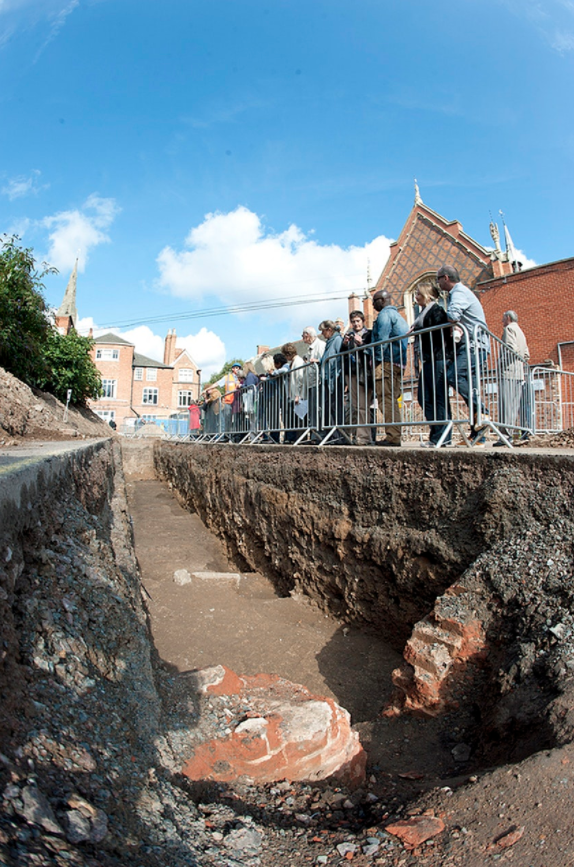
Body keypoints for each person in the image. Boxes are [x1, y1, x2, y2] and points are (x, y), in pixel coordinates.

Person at [437, 265, 490, 444]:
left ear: (445, 278)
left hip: (474, 346)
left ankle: (483, 412)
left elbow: (452, 314)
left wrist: (452, 323)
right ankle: (478, 437)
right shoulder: (462, 292)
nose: (438, 284)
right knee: (472, 386)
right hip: (473, 346)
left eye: (438, 279)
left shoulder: (458, 292)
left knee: (454, 375)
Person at [409, 284, 453, 447]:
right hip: (428, 360)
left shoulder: (437, 311)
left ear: (427, 295)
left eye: (419, 294)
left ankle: (441, 437)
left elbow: (440, 333)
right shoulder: (424, 313)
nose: (416, 297)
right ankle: (439, 434)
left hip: (439, 358)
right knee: (424, 397)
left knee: (438, 398)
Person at [371, 290, 408, 446]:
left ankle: (392, 437)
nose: (372, 305)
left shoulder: (384, 315)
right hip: (398, 363)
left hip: (386, 363)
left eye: (374, 301)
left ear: (381, 300)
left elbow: (382, 340)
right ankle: (394, 435)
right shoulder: (399, 316)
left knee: (386, 400)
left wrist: (376, 360)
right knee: (391, 399)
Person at [495, 310, 530, 445]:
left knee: (505, 405)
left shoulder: (509, 329)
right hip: (518, 373)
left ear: (508, 318)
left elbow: (510, 348)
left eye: (503, 318)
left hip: (508, 372)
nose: (502, 321)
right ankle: (510, 433)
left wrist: (501, 363)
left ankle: (505, 436)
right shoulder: (520, 331)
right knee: (514, 405)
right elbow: (526, 354)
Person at [340, 310, 372, 444]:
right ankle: (360, 436)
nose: (355, 324)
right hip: (351, 373)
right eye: (353, 322)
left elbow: (371, 351)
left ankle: (363, 437)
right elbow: (342, 354)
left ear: (363, 321)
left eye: (358, 321)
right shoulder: (350, 335)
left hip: (363, 374)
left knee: (362, 406)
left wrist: (362, 344)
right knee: (355, 406)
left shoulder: (369, 334)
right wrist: (345, 344)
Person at [318, 320, 343, 441]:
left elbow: (339, 358)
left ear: (329, 330)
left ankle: (337, 436)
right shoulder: (329, 342)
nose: (322, 334)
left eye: (323, 331)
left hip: (335, 379)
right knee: (329, 408)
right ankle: (332, 435)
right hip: (328, 380)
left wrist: (338, 375)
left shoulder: (337, 340)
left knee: (335, 408)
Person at [301, 326, 325, 433]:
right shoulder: (310, 347)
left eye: (303, 336)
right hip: (311, 382)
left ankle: (319, 432)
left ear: (308, 335)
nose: (302, 338)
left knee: (318, 408)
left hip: (318, 381)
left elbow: (323, 360)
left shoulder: (320, 345)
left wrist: (316, 361)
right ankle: (315, 433)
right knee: (312, 409)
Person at [281, 342, 305, 442]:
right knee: (292, 417)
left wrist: (298, 395)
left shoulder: (298, 361)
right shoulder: (293, 362)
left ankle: (294, 438)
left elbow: (300, 378)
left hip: (296, 394)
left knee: (296, 418)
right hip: (293, 393)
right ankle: (291, 438)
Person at [222, 363, 242, 437]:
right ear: (232, 369)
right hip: (228, 401)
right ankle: (226, 436)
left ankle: (235, 436)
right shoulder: (227, 377)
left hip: (237, 401)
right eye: (236, 368)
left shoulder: (241, 377)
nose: (237, 369)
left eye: (238, 368)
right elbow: (218, 383)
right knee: (227, 419)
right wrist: (208, 388)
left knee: (237, 419)